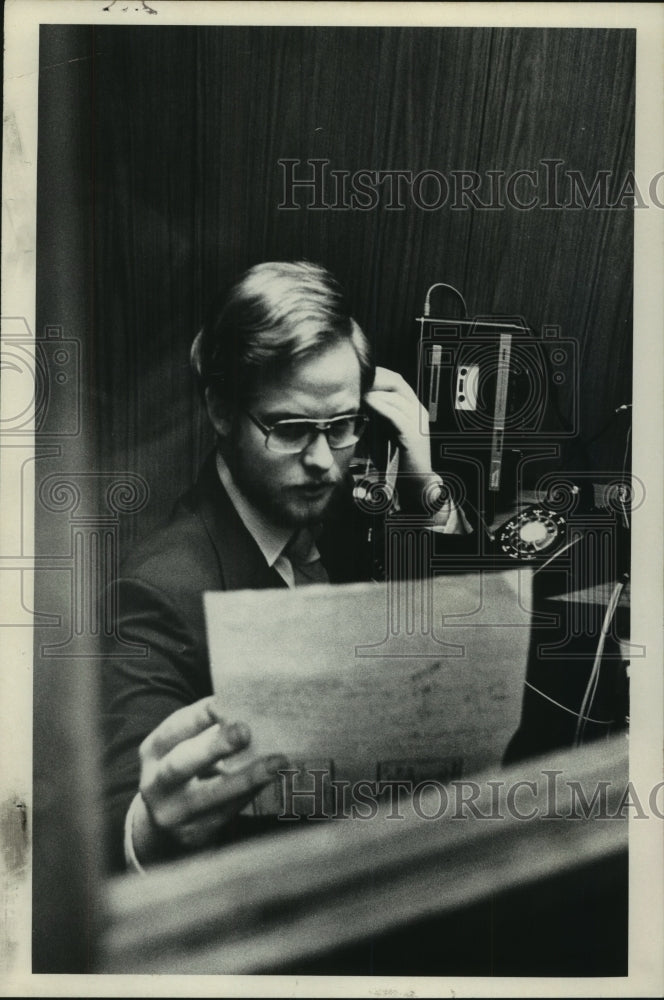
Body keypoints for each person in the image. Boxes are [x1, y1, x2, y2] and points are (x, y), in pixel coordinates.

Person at [102, 260, 468, 872]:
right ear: (221, 411)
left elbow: (464, 643)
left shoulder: (350, 511)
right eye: (291, 428)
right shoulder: (156, 590)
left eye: (342, 425)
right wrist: (149, 832)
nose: (323, 460)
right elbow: (122, 814)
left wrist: (425, 486)